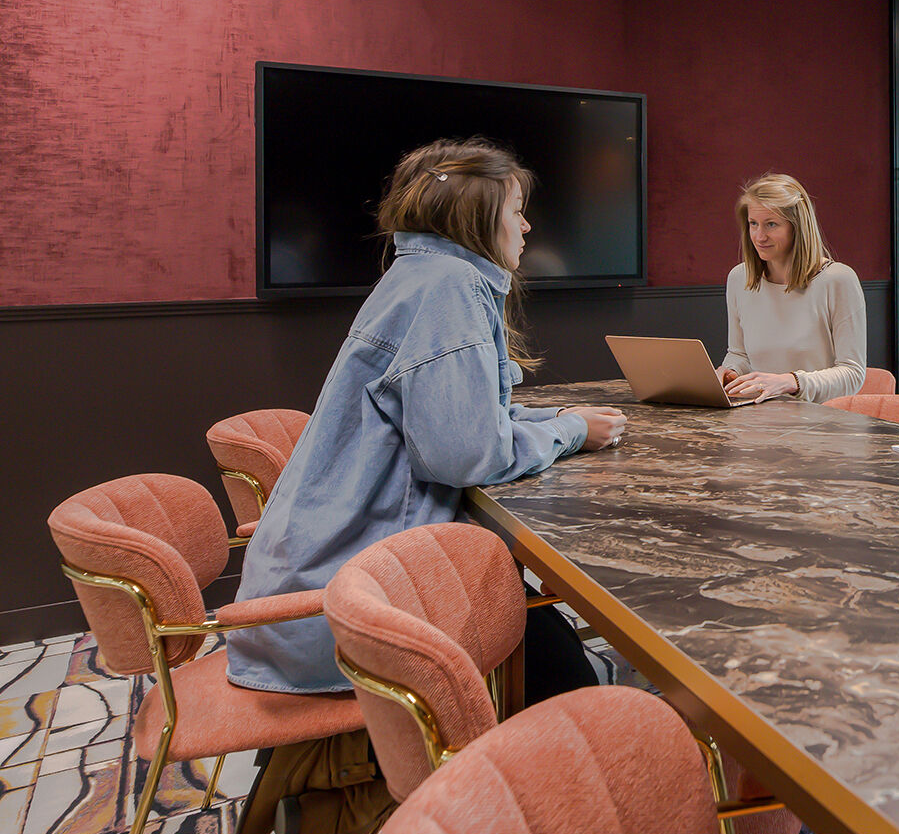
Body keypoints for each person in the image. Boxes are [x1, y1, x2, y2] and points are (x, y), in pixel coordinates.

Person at [227, 137, 628, 699]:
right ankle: (569, 736)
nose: (527, 227)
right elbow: (466, 456)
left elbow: (461, 414)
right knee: (535, 628)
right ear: (479, 216)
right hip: (348, 610)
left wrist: (556, 416)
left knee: (533, 624)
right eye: (516, 211)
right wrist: (569, 432)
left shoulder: (418, 274)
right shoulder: (451, 288)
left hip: (308, 589)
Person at [715, 173, 868, 402]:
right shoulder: (739, 278)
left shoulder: (838, 280)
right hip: (760, 418)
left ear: (797, 227)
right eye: (753, 224)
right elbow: (740, 354)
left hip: (822, 424)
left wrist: (791, 382)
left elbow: (852, 374)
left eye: (771, 224)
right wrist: (730, 372)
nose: (759, 236)